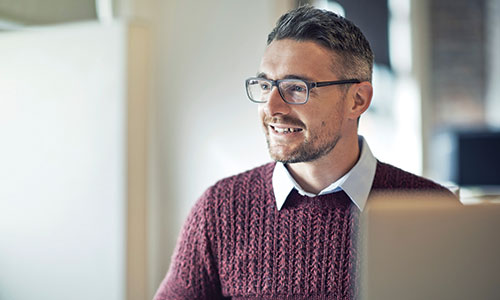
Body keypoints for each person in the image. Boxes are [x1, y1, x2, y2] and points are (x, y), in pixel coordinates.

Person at [154, 5, 455, 300]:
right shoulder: (219, 210)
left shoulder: (434, 211)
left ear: (358, 100)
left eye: (296, 88)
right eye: (265, 85)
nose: (271, 108)